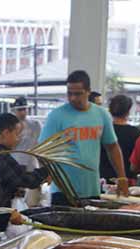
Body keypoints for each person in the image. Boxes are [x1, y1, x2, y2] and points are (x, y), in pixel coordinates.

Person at [39, 70, 128, 203]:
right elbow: (42, 150)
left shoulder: (101, 114)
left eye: (78, 94)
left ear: (88, 92)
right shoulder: (56, 116)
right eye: (69, 93)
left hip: (91, 190)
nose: (73, 98)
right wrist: (47, 171)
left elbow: (112, 147)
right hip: (63, 191)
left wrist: (122, 177)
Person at [0, 112, 48, 208]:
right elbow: (25, 180)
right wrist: (47, 171)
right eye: (17, 134)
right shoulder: (0, 156)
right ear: (6, 133)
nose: (18, 139)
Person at [11, 96, 43, 208]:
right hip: (15, 163)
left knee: (34, 193)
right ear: (14, 110)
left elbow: (39, 145)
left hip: (31, 162)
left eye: (24, 109)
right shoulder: (10, 127)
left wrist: (42, 164)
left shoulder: (35, 125)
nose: (23, 112)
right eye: (20, 110)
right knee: (14, 195)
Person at [100, 95, 140, 182]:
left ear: (110, 110)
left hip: (102, 178)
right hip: (126, 179)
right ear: (128, 111)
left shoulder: (102, 130)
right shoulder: (135, 133)